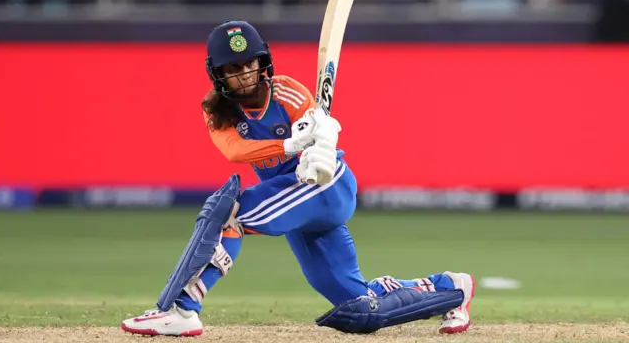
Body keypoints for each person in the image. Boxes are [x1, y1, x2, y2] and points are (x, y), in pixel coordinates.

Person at [121, 20, 475, 337]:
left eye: (250, 64)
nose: (244, 74)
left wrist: (319, 144)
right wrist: (291, 143)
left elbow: (324, 140)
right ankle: (451, 290)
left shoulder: (289, 91)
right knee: (359, 304)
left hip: (323, 186)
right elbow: (234, 150)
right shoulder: (215, 109)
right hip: (292, 199)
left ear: (263, 62)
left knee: (229, 213)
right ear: (218, 73)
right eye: (233, 68)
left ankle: (182, 309)